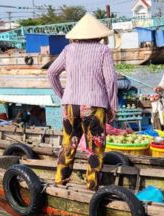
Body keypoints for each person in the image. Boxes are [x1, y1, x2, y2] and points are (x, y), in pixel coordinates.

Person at [47, 13, 117, 190]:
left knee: (68, 145)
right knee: (96, 149)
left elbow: (51, 73)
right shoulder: (103, 50)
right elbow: (110, 80)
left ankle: (59, 182)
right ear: (99, 35)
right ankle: (91, 187)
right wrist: (112, 106)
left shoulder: (69, 50)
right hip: (94, 106)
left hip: (71, 105)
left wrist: (63, 96)